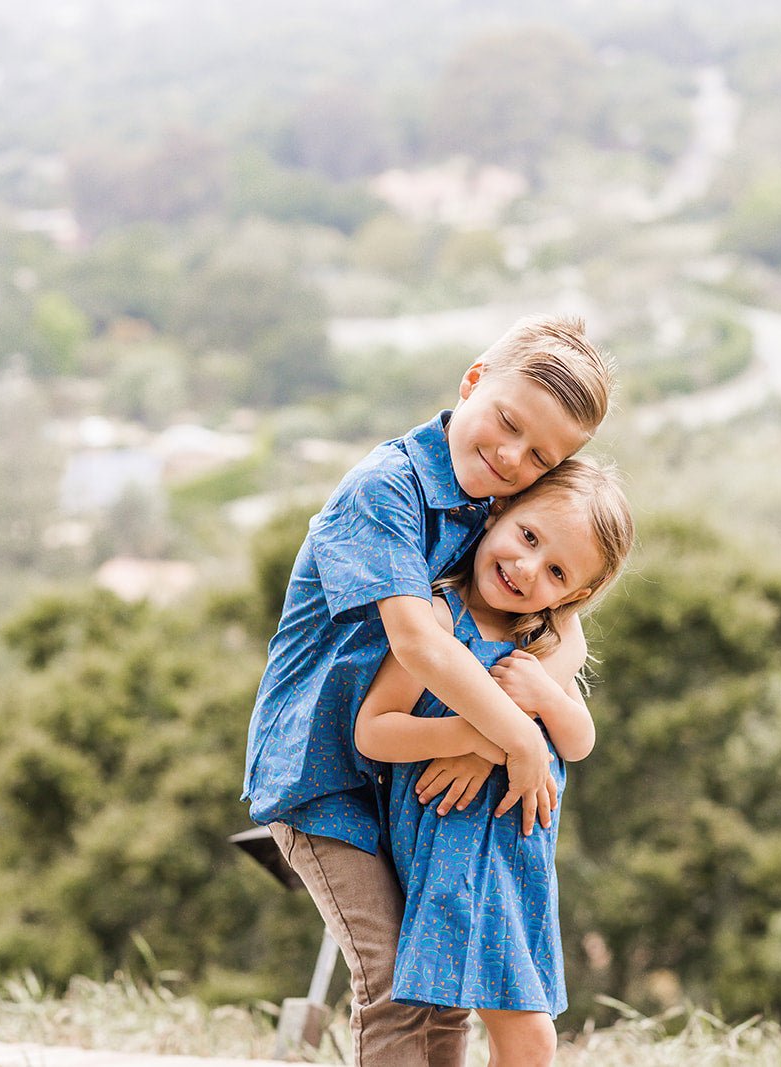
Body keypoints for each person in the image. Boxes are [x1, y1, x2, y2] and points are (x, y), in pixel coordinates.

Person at [242, 315, 614, 1066]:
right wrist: (511, 739)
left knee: (437, 985)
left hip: (406, 785)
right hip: (323, 777)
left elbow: (560, 629)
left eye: (541, 455)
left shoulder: (498, 511)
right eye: (508, 423)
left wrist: (502, 732)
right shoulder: (386, 490)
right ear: (473, 380)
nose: (512, 456)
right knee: (394, 984)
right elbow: (418, 642)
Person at [355, 457, 634, 1067]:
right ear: (501, 510)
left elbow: (580, 741)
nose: (525, 568)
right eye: (528, 537)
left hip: (519, 867)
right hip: (456, 857)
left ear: (576, 595)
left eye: (556, 570)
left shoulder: (545, 644)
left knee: (492, 1030)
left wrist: (541, 700)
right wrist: (478, 736)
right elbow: (375, 732)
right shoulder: (437, 620)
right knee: (527, 1037)